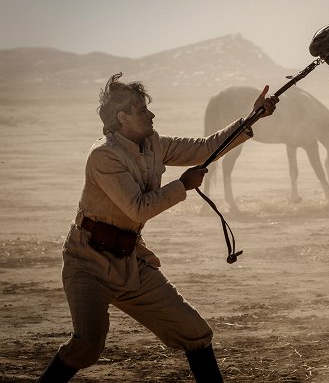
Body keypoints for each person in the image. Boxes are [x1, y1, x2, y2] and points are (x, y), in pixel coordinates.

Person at [38, 73, 278, 382]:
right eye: (141, 110)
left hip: (131, 261)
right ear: (121, 117)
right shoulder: (103, 156)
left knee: (195, 332)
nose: (151, 114)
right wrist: (182, 185)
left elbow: (205, 147)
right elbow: (138, 207)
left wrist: (252, 117)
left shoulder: (154, 144)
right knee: (87, 346)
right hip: (87, 263)